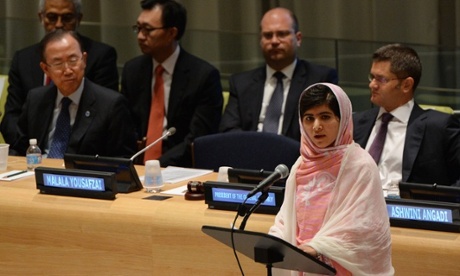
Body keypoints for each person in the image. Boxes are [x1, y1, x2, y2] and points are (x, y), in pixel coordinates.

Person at [269, 83, 393, 275]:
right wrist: (276, 238)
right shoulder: (300, 164)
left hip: (336, 265)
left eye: (325, 117)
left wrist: (319, 247)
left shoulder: (360, 165)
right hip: (301, 262)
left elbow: (363, 226)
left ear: (342, 119)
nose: (316, 126)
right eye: (309, 118)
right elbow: (286, 217)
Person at [1, 0, 119, 144]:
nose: (58, 24)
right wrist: (29, 150)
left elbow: (105, 115)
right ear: (41, 17)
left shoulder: (101, 55)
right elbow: (11, 117)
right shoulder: (23, 59)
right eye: (52, 17)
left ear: (78, 18)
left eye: (67, 18)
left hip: (81, 151)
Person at [121, 0, 223, 167]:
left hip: (182, 169)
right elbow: (125, 128)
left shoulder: (203, 76)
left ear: (171, 33)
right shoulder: (132, 71)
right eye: (138, 28)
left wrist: (155, 166)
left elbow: (197, 139)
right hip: (136, 166)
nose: (140, 36)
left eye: (148, 30)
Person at [10, 29, 137, 158]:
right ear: (46, 69)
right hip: (37, 174)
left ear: (84, 60)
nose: (68, 70)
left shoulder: (111, 105)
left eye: (73, 60)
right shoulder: (35, 99)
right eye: (58, 63)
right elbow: (20, 150)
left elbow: (123, 160)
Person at [353, 44, 460, 195]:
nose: (372, 85)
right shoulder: (356, 122)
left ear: (406, 85)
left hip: (407, 214)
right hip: (356, 211)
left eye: (381, 79)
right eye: (372, 77)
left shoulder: (439, 127)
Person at [219, 7, 338, 141]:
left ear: (298, 38)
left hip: (298, 158)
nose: (274, 41)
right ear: (260, 40)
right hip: (248, 156)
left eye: (282, 34)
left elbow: (324, 131)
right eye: (268, 35)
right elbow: (228, 130)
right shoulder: (241, 83)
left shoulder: (319, 79)